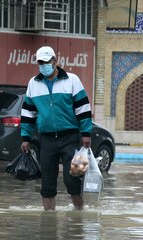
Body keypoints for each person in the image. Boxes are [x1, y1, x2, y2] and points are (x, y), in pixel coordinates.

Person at [20, 46, 92, 210]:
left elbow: (83, 108)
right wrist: (25, 138)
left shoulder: (72, 80)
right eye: (40, 62)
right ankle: (48, 220)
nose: (44, 65)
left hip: (71, 137)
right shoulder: (33, 83)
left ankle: (79, 212)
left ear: (55, 61)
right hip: (46, 139)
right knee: (47, 183)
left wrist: (86, 134)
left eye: (47, 61)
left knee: (73, 179)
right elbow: (28, 113)